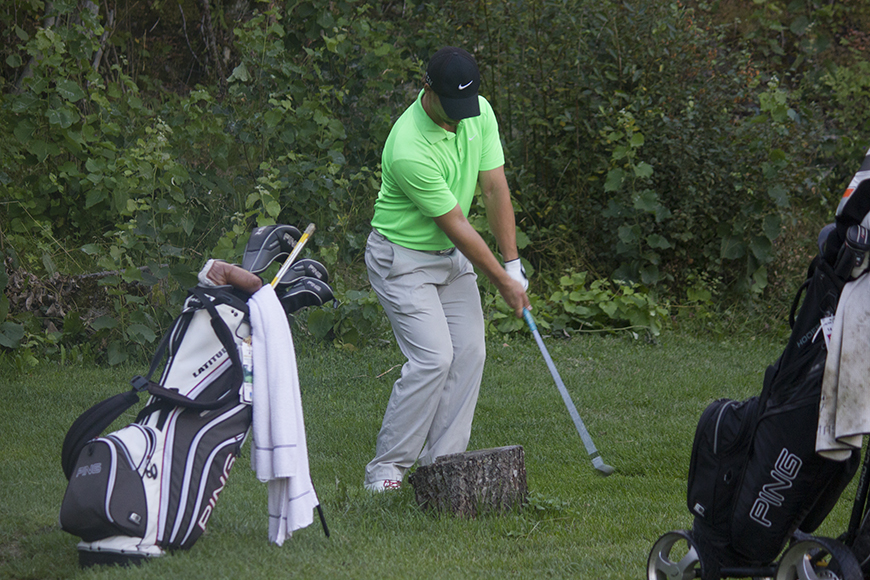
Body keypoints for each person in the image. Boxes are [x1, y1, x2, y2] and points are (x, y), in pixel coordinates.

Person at [363, 46, 531, 492]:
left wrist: (513, 264)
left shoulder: (478, 113)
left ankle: (444, 467)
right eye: (451, 108)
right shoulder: (407, 147)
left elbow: (494, 189)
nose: (459, 119)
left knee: (471, 352)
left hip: (450, 261)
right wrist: (502, 282)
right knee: (434, 358)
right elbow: (457, 225)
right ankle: (387, 470)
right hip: (402, 260)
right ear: (427, 89)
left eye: (466, 108)